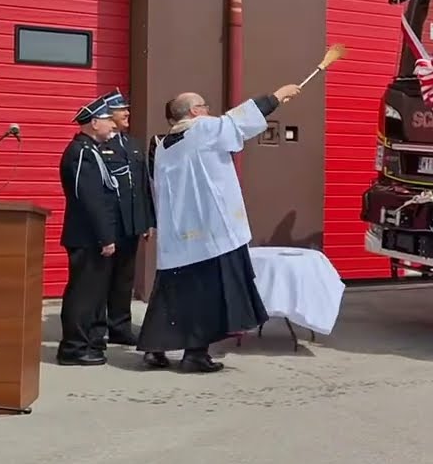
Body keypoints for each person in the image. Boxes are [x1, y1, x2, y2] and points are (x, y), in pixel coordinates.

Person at [136, 84, 302, 372]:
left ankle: (155, 348)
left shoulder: (163, 146)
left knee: (171, 293)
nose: (209, 110)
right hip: (211, 232)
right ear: (194, 111)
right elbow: (238, 121)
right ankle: (195, 354)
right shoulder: (202, 130)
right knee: (209, 292)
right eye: (205, 106)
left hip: (178, 236)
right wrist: (276, 97)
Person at [56, 95, 121, 366]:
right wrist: (104, 236)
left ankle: (89, 341)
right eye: (108, 120)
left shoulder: (91, 150)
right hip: (86, 236)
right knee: (82, 294)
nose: (113, 125)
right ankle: (73, 347)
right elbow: (90, 198)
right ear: (94, 123)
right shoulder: (81, 152)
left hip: (92, 235)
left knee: (93, 294)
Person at [95, 89, 155, 348]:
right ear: (109, 115)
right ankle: (96, 329)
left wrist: (147, 219)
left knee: (124, 279)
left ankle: (120, 328)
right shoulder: (98, 145)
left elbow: (142, 186)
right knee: (101, 278)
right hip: (110, 223)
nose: (128, 113)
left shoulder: (132, 144)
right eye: (122, 110)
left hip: (131, 223)